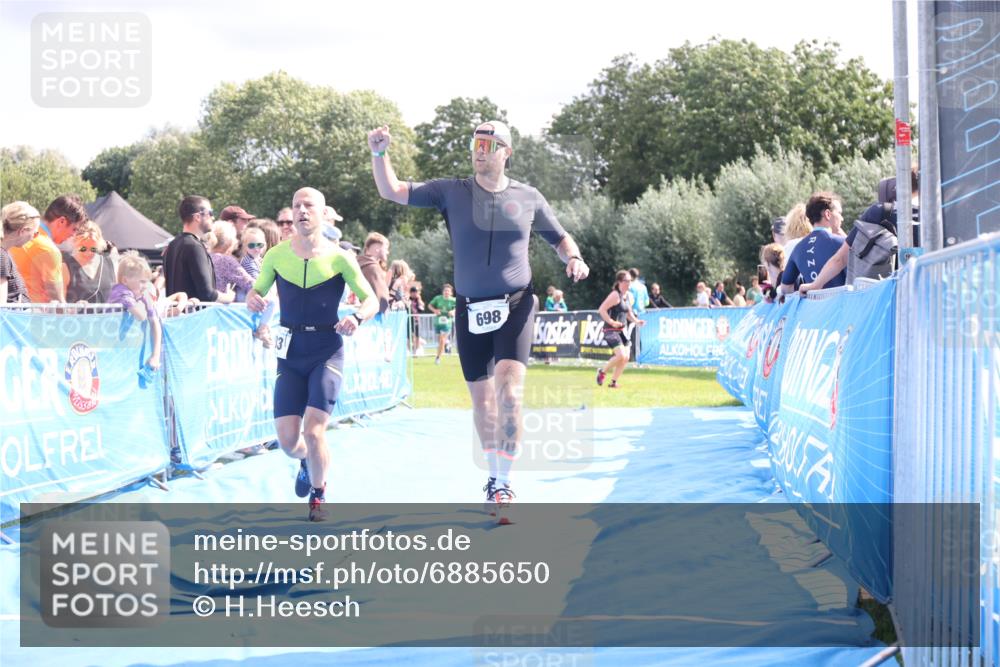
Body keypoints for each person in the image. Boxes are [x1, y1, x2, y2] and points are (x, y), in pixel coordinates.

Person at [369, 120, 589, 522]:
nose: (480, 151)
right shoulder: (450, 191)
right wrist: (379, 153)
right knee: (483, 402)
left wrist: (573, 258)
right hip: (470, 308)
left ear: (507, 152)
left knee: (510, 391)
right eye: (476, 144)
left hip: (516, 304)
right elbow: (392, 190)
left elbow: (560, 238)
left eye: (489, 144)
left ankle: (504, 482)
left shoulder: (527, 196)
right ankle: (493, 473)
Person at [246, 187, 377, 522]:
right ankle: (306, 461)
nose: (301, 211)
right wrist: (253, 298)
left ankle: (319, 495)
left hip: (326, 351)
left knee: (314, 430)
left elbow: (371, 300)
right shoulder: (276, 255)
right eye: (296, 206)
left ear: (322, 213)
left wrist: (357, 317)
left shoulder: (340, 257)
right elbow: (256, 291)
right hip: (289, 353)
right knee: (289, 442)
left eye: (308, 206)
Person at [801, 168, 919, 294]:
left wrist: (815, 285)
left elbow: (840, 259)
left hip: (890, 297)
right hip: (929, 295)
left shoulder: (880, 213)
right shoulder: (931, 219)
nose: (842, 218)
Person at [10, 195, 86, 302]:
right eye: (74, 229)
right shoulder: (48, 250)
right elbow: (57, 302)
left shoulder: (15, 234)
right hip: (30, 311)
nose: (73, 235)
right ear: (62, 221)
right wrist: (74, 309)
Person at [163, 196, 235, 304]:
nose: (213, 217)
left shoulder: (172, 245)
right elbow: (207, 293)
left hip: (177, 312)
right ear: (197, 217)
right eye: (210, 213)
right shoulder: (194, 246)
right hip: (195, 313)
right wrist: (229, 297)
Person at [779, 192, 846, 294]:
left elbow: (785, 288)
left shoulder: (798, 248)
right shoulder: (841, 243)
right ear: (828, 214)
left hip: (813, 303)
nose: (842, 218)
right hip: (841, 303)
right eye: (839, 213)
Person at [108, 251, 162, 375]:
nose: (146, 286)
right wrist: (147, 300)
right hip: (109, 347)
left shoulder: (140, 294)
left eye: (147, 281)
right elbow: (141, 316)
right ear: (125, 280)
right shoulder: (120, 291)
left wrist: (155, 355)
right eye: (142, 281)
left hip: (124, 349)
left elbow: (155, 322)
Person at [596, 270, 644, 389]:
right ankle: (602, 372)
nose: (629, 283)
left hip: (622, 330)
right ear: (619, 282)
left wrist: (637, 321)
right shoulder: (615, 295)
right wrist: (612, 322)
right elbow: (601, 310)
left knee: (626, 357)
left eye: (630, 281)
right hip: (610, 330)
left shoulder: (629, 296)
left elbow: (628, 314)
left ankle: (613, 382)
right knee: (621, 355)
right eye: (626, 281)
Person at [61, 221, 116, 304]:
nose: (88, 253)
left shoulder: (110, 264)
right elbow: (60, 303)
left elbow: (119, 293)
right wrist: (73, 308)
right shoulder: (65, 267)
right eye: (83, 248)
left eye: (93, 249)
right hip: (77, 313)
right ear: (74, 243)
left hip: (107, 313)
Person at [207, 222, 255, 302]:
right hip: (219, 307)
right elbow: (251, 284)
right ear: (229, 242)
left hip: (201, 306)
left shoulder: (203, 256)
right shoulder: (225, 261)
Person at [1, 202, 38, 303]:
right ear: (23, 231)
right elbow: (1, 306)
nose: (33, 238)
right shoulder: (2, 257)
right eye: (35, 233)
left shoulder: (4, 254)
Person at [358, 232, 391, 315]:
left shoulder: (359, 264)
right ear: (377, 249)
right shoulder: (373, 268)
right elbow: (381, 300)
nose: (388, 252)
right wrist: (385, 309)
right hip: (372, 316)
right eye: (386, 248)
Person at [428, 283, 457, 364]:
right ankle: (447, 344)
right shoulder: (438, 298)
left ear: (451, 293)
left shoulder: (454, 300)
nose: (446, 292)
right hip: (438, 323)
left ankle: (438, 358)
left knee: (442, 340)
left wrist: (453, 311)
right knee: (440, 341)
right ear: (443, 292)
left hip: (447, 323)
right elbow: (429, 305)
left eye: (448, 291)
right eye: (445, 291)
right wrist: (435, 310)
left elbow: (459, 308)